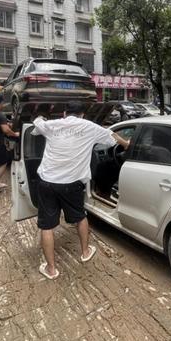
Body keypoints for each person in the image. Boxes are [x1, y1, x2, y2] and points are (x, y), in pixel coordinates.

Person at [31, 101, 129, 280]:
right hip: (72, 184)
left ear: (64, 113)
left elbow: (37, 123)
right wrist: (127, 144)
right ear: (83, 114)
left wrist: (39, 117)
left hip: (47, 182)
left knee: (47, 226)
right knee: (80, 217)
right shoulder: (89, 126)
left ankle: (51, 270)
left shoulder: (52, 125)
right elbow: (112, 136)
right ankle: (85, 252)